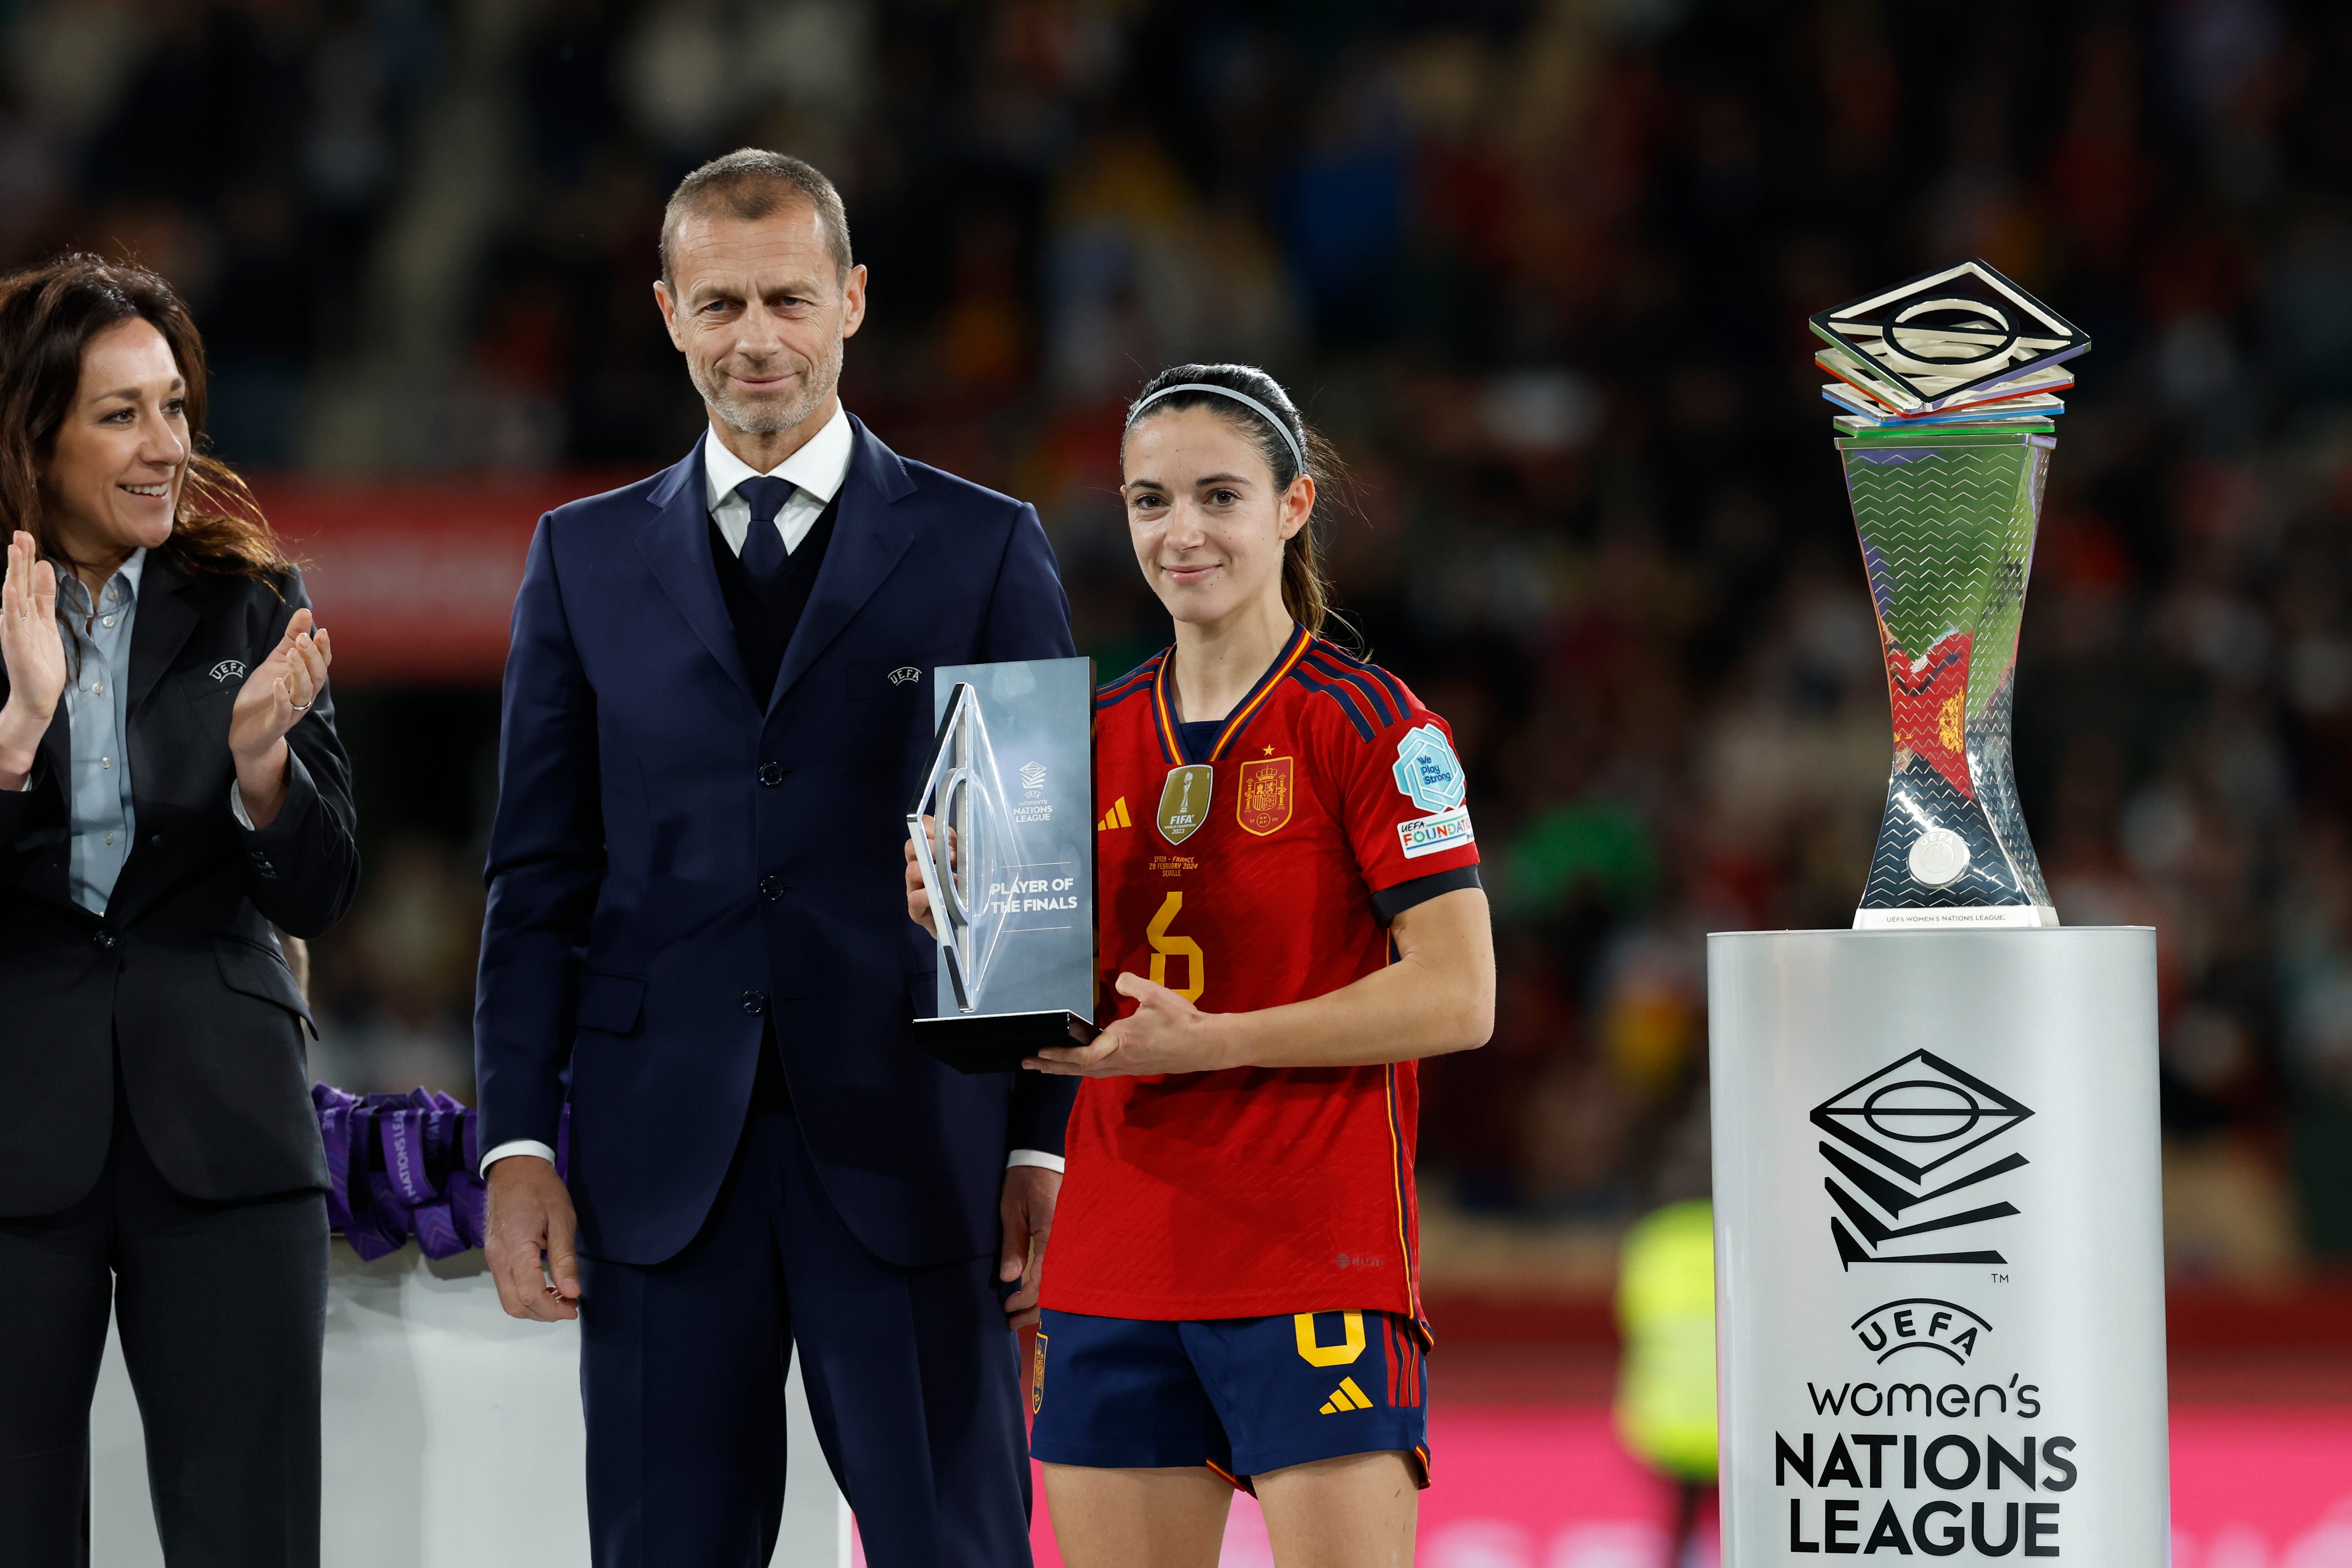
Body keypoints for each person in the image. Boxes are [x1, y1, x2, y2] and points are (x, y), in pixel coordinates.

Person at [473, 149, 1078, 1567]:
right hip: (656, 1166)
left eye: (792, 300)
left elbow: (1040, 874)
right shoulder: (580, 558)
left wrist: (1045, 1146)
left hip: (921, 1158)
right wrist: (515, 1141)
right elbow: (537, 877)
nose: (759, 340)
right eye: (725, 303)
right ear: (671, 311)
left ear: (854, 301)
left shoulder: (988, 547)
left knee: (959, 1547)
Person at [909, 363, 1496, 1567]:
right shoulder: (1070, 740)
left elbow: (1461, 994)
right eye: (1149, 501)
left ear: (1293, 507)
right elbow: (1056, 1006)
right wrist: (962, 924)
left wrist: (1218, 1040)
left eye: (1218, 496)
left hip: (1313, 1256)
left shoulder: (1375, 725)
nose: (1181, 533)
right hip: (1114, 1259)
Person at [0, 254, 358, 1565]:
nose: (168, 449)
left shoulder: (254, 597)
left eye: (176, 408)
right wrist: (16, 731)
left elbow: (324, 888)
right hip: (13, 1141)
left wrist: (264, 769)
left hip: (225, 1129)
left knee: (249, 1537)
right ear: (33, 436)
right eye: (121, 415)